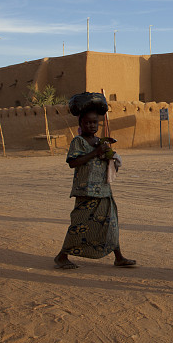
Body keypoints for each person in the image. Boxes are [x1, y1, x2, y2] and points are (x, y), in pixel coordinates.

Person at [53, 107, 136, 270]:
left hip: (104, 190)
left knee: (111, 223)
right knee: (80, 224)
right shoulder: (78, 141)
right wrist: (96, 152)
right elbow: (72, 163)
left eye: (94, 122)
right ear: (81, 124)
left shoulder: (100, 141)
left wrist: (109, 155)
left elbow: (105, 161)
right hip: (86, 191)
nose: (92, 125)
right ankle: (62, 256)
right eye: (88, 122)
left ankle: (118, 257)